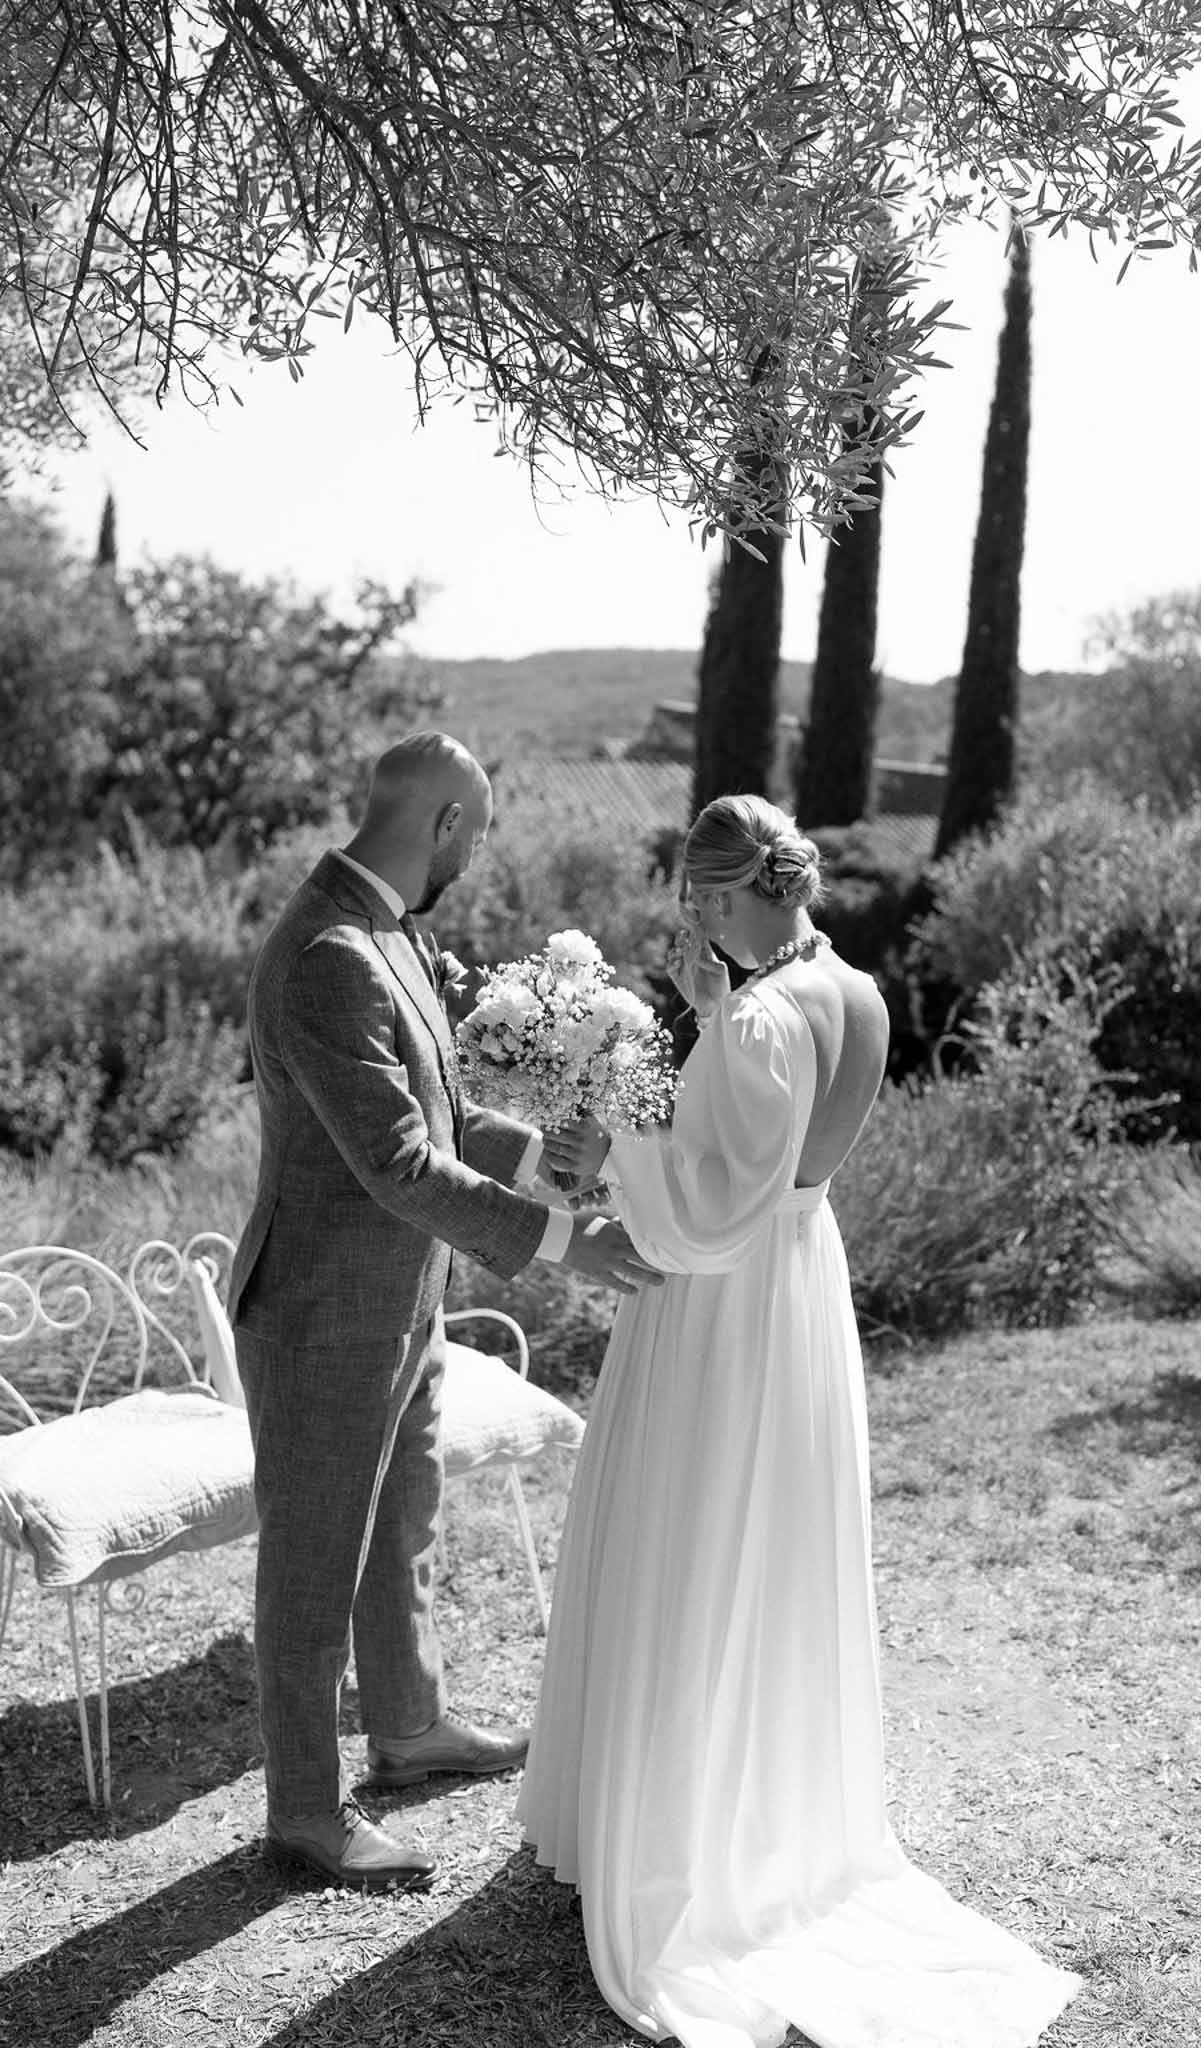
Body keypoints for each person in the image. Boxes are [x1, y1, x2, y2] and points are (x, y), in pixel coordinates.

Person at [520, 795, 1081, 2048]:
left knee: (693, 1533)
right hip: (802, 1282)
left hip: (719, 1306)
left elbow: (708, 1207)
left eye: (698, 902)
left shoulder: (759, 1018)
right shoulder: (859, 993)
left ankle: (681, 1838)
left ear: (731, 891)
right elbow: (781, 1166)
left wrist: (617, 1116)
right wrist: (703, 1031)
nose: (694, 927)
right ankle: (765, 1806)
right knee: (767, 1547)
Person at [228, 731, 660, 1891]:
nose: (480, 852)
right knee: (313, 1560)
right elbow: (398, 1163)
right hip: (321, 1310)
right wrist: (570, 1243)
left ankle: (410, 1725)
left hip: (401, 1296)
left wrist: (554, 1159)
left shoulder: (387, 933)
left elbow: (446, 1110)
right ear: (449, 825)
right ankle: (307, 1818)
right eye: (483, 831)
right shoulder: (328, 951)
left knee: (401, 1519)